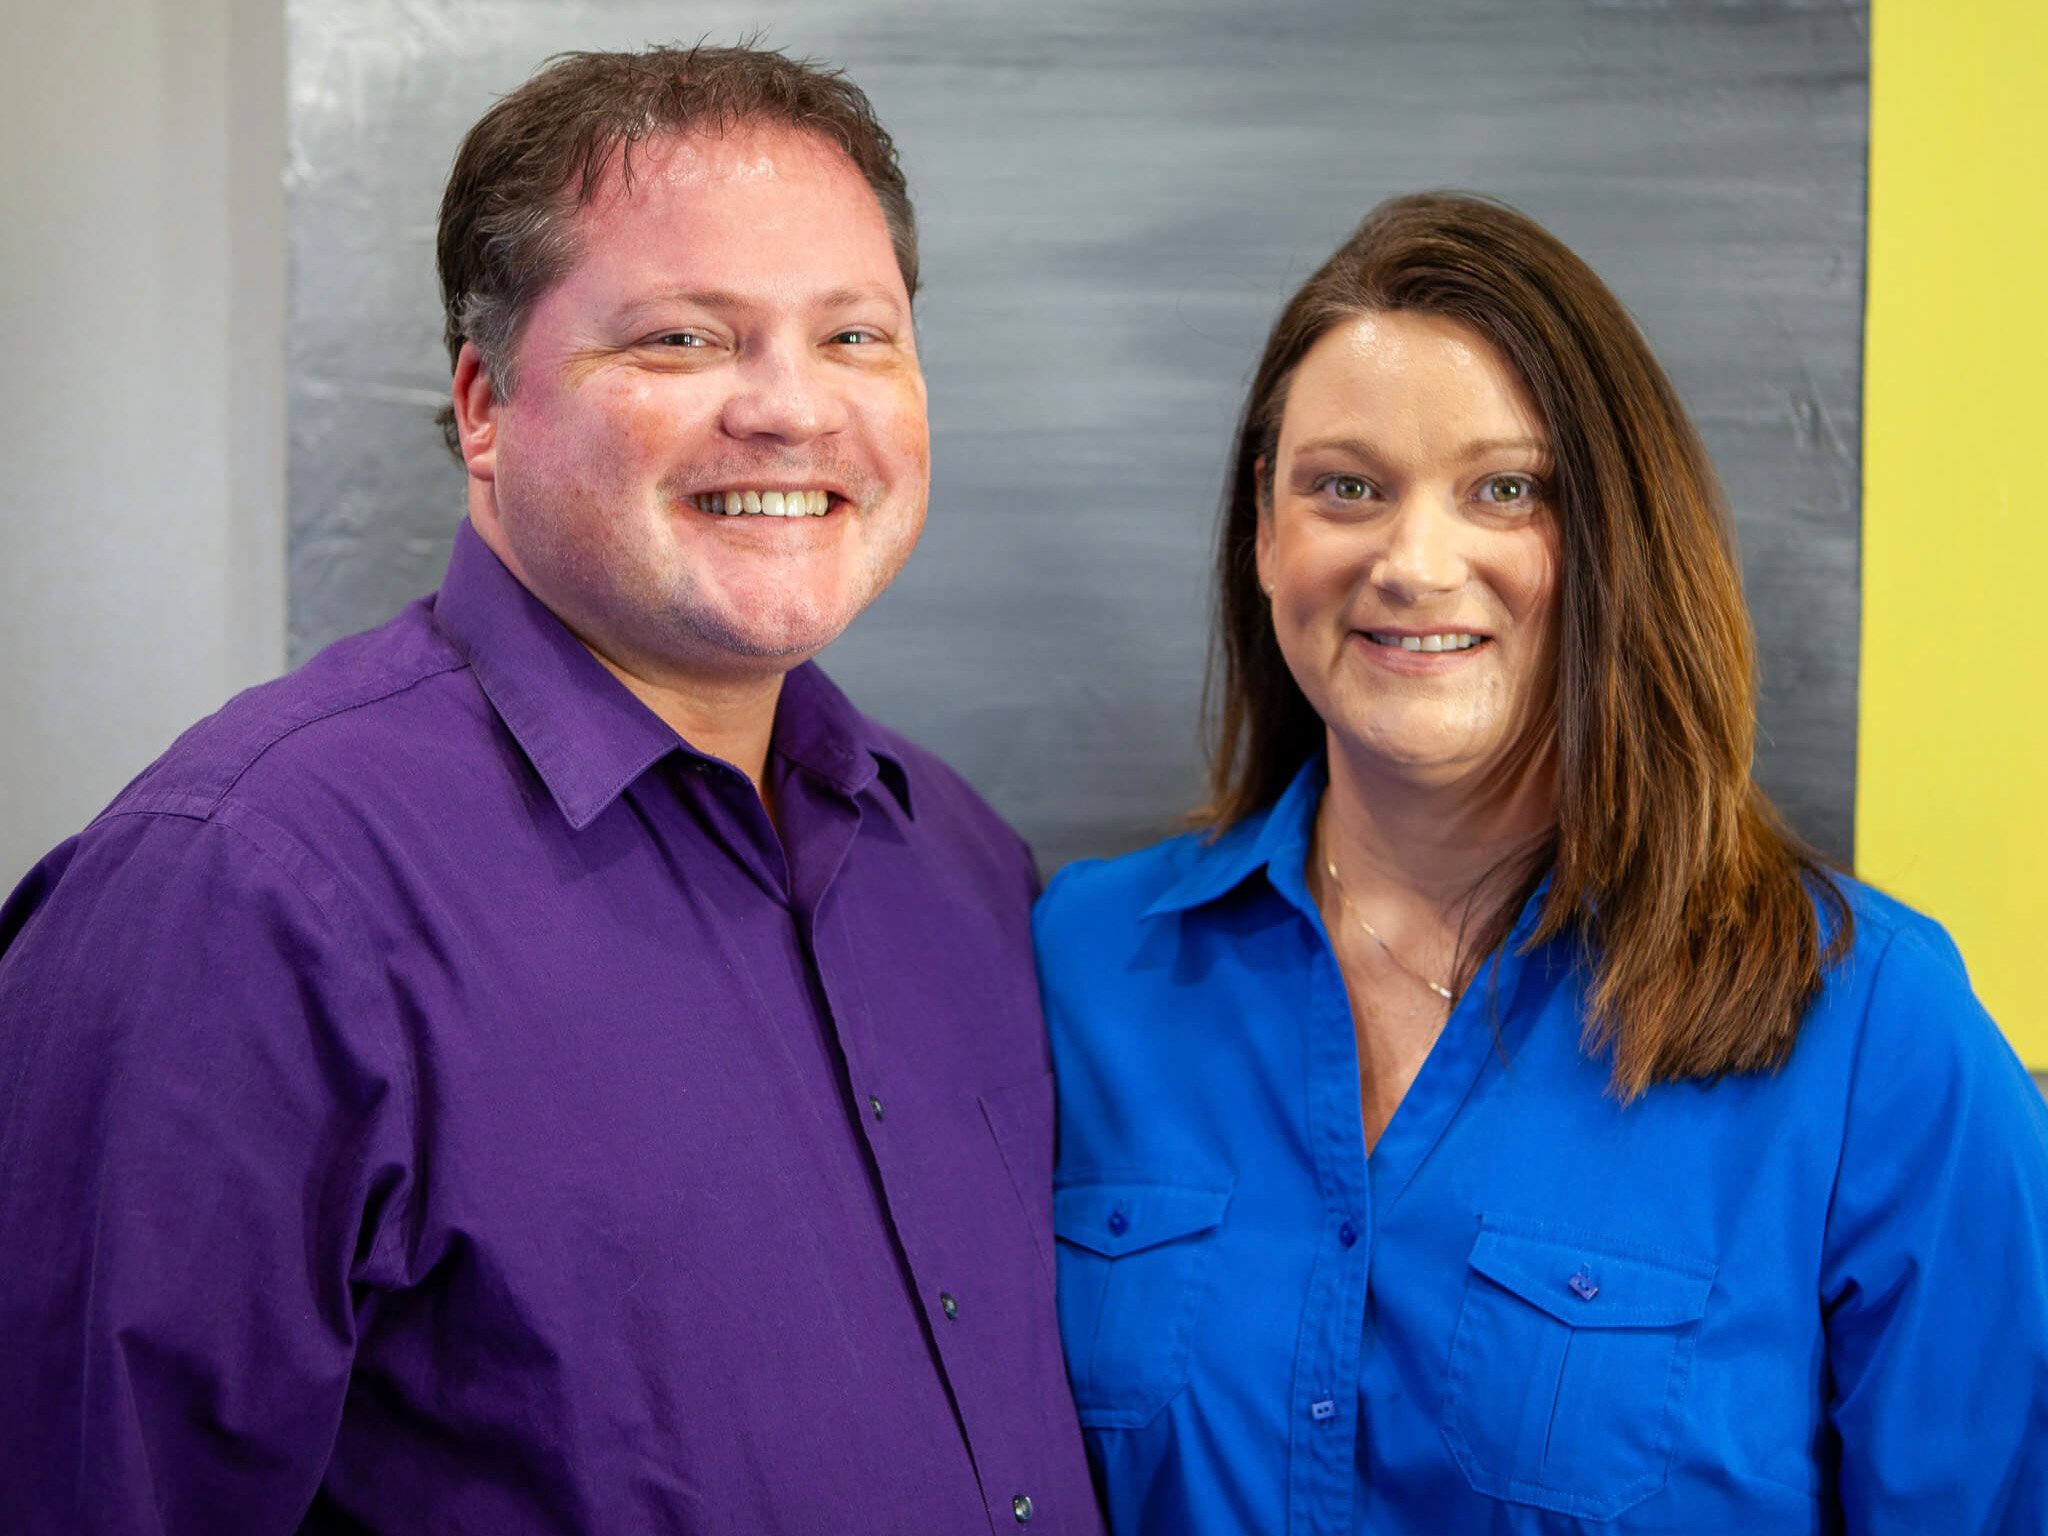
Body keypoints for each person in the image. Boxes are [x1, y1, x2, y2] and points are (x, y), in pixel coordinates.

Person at [0, 45, 1100, 1535]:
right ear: (482, 405)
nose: (790, 411)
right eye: (682, 340)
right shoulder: (240, 894)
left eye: (854, 336)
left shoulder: (959, 863)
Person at [1035, 192, 2048, 1534]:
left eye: (1505, 491)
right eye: (1346, 487)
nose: (1414, 561)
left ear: (1618, 541)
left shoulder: (1873, 1029)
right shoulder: (1079, 964)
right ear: (1264, 542)